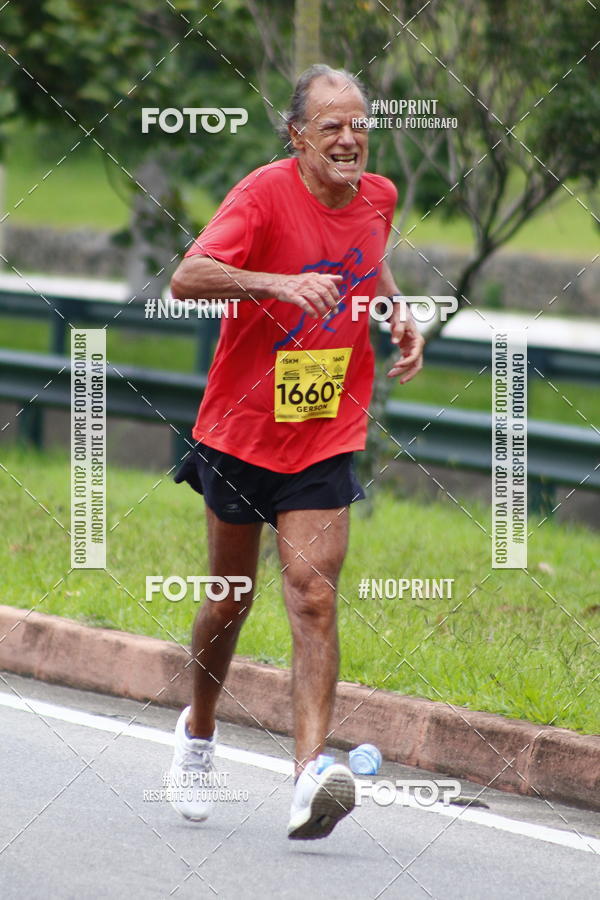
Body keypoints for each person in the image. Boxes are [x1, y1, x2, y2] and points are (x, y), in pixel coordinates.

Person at [168, 64, 424, 840]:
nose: (348, 139)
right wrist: (277, 284)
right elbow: (187, 278)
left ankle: (310, 773)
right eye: (330, 126)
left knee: (312, 593)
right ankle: (199, 731)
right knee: (231, 598)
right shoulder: (261, 194)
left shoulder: (379, 195)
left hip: (323, 429)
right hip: (242, 430)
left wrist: (394, 310)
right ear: (297, 135)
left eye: (359, 124)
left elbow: (365, 260)